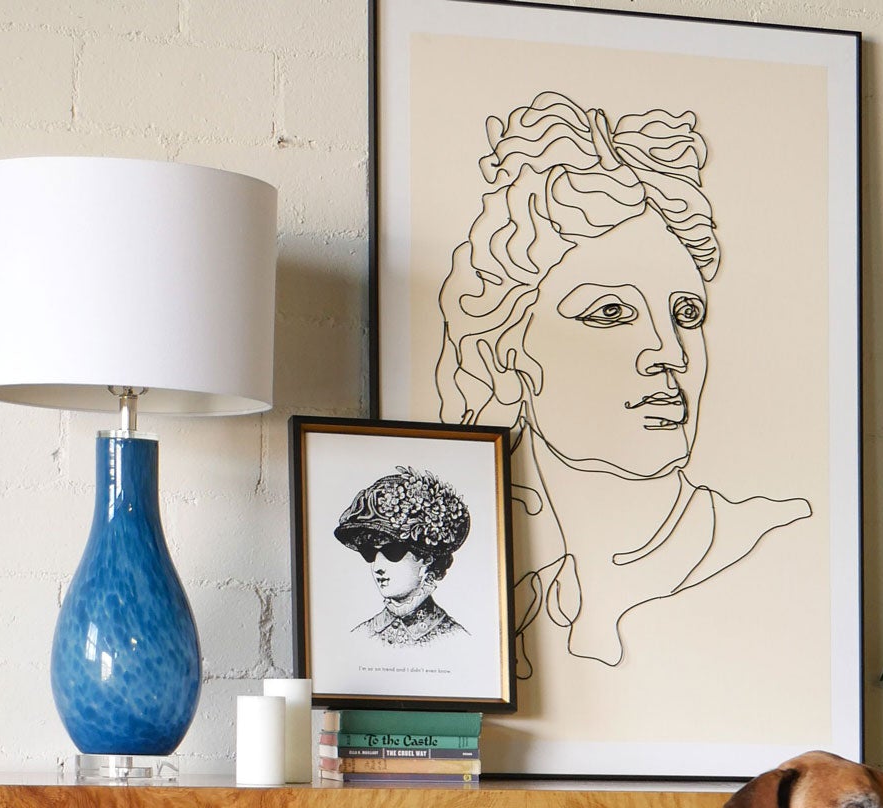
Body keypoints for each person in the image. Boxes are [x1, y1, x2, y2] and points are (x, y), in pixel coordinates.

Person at [435, 91, 811, 677]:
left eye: (686, 313)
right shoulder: (482, 608)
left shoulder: (775, 546)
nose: (671, 353)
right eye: (610, 313)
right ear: (506, 360)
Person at [334, 465, 471, 647]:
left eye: (392, 552)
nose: (377, 567)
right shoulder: (361, 635)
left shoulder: (455, 638)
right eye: (369, 553)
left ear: (427, 558)